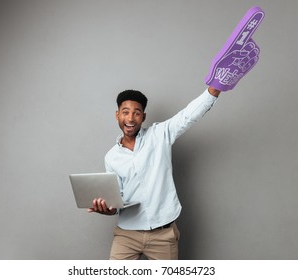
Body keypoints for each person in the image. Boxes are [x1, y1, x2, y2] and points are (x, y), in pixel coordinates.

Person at [87, 86, 221, 259]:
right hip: (127, 235)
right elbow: (117, 200)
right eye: (125, 112)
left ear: (143, 117)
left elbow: (188, 116)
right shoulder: (111, 157)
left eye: (136, 113)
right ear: (117, 115)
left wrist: (215, 89)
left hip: (163, 235)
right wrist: (107, 209)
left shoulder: (160, 134)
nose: (130, 118)